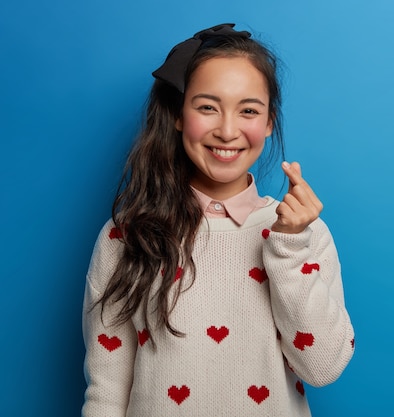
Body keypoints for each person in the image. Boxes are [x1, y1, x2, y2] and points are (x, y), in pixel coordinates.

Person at [81, 23, 355, 417]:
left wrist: (289, 249)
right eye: (208, 107)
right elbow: (106, 393)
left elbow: (323, 367)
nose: (228, 131)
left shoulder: (302, 235)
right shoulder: (127, 236)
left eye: (248, 110)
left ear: (269, 122)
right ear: (178, 115)